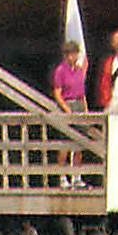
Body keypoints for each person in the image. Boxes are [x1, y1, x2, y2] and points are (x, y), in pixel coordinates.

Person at [51, 40, 89, 187]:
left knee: (79, 143)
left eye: (75, 54)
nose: (73, 57)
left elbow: (82, 93)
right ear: (66, 55)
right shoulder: (60, 70)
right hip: (68, 104)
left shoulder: (79, 70)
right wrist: (67, 109)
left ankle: (77, 176)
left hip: (79, 104)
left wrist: (85, 109)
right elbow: (57, 93)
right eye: (70, 54)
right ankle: (62, 177)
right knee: (65, 143)